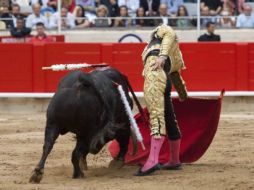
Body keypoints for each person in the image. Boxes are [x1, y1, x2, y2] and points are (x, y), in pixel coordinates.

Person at [135, 24, 188, 176]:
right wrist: (183, 94)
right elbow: (176, 75)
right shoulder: (176, 54)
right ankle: (174, 160)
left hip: (155, 74)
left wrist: (162, 56)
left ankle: (152, 161)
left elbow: (170, 31)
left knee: (156, 117)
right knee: (169, 118)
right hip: (165, 78)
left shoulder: (160, 32)